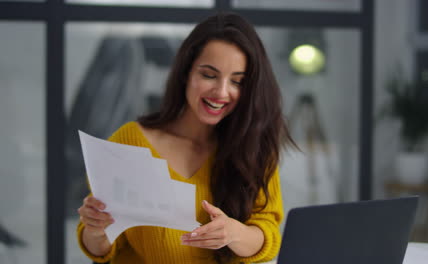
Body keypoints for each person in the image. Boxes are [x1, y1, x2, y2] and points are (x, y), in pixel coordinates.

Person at [77, 12, 294, 264]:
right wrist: (95, 230)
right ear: (185, 73)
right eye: (209, 75)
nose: (221, 92)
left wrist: (234, 233)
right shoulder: (129, 141)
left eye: (237, 81)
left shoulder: (254, 147)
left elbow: (268, 233)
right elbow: (104, 246)